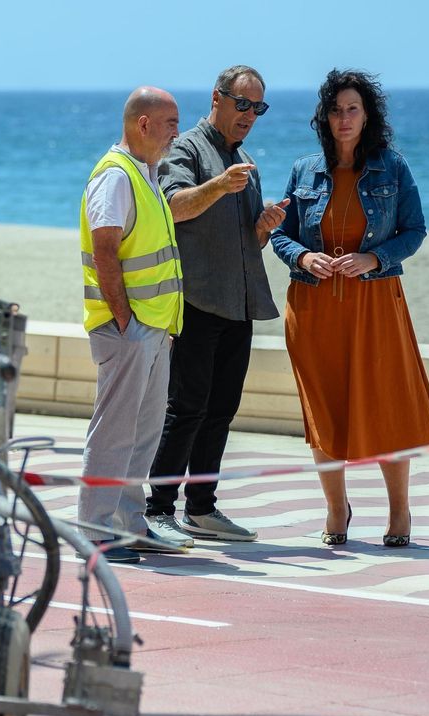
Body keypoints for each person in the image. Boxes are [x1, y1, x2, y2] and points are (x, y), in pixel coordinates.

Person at [270, 70, 429, 548]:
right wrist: (303, 256)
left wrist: (374, 257)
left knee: (386, 404)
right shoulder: (304, 170)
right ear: (323, 117)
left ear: (368, 116)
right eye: (335, 110)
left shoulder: (393, 167)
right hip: (314, 307)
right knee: (323, 409)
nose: (343, 119)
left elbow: (415, 231)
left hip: (375, 306)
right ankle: (335, 509)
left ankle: (399, 510)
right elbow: (280, 234)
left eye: (353, 109)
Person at [144, 66, 287, 548]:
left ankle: (201, 509)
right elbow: (173, 207)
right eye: (243, 104)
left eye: (258, 108)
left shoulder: (246, 163)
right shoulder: (185, 148)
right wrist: (217, 187)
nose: (249, 115)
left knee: (221, 410)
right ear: (218, 98)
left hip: (239, 304)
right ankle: (157, 508)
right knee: (185, 408)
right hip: (197, 302)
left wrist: (264, 227)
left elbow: (248, 242)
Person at [76, 88, 185, 565]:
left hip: (154, 328)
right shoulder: (117, 176)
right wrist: (126, 321)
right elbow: (105, 249)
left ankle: (128, 526)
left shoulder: (147, 174)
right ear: (143, 123)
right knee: (114, 434)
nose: (176, 132)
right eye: (169, 122)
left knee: (143, 434)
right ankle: (96, 531)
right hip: (129, 331)